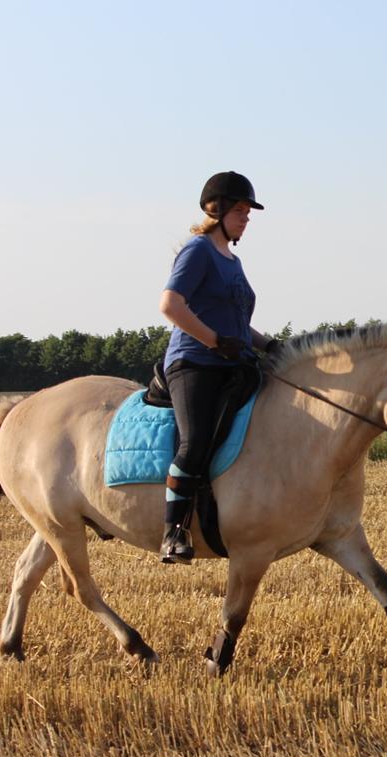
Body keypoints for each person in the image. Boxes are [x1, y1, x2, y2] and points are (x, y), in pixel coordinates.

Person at [157, 171, 282, 563]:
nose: (247, 219)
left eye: (249, 212)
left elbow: (236, 323)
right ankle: (174, 531)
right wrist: (214, 342)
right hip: (194, 363)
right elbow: (170, 306)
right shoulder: (198, 251)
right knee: (194, 443)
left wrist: (269, 345)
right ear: (218, 209)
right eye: (241, 211)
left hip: (233, 362)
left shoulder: (233, 260)